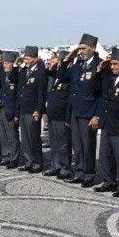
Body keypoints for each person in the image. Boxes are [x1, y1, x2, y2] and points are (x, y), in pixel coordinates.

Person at [91, 48, 119, 197]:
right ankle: (109, 181)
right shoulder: (110, 76)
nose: (112, 66)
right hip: (107, 123)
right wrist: (99, 71)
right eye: (111, 63)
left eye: (115, 64)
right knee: (105, 155)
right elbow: (97, 90)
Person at [62, 34, 103, 185]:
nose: (81, 52)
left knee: (88, 145)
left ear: (93, 48)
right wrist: (67, 59)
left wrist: (97, 115)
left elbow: (101, 94)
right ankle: (79, 172)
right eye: (79, 49)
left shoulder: (99, 65)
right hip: (75, 111)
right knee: (77, 145)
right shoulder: (78, 64)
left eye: (84, 48)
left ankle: (89, 174)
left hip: (89, 112)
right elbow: (63, 77)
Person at [17, 46, 46, 173]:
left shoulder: (40, 72)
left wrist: (38, 110)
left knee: (34, 138)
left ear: (35, 58)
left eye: (28, 59)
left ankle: (37, 163)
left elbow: (42, 93)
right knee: (25, 138)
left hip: (33, 111)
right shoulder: (24, 71)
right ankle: (28, 161)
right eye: (25, 58)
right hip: (23, 109)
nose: (26, 61)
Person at [45, 51, 73, 179]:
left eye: (59, 62)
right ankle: (55, 166)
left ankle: (65, 168)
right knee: (54, 143)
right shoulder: (55, 74)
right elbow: (45, 74)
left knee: (63, 144)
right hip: (52, 114)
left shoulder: (69, 75)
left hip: (62, 115)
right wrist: (51, 67)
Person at [0, 51, 21, 168]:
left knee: (12, 136)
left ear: (12, 64)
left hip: (11, 110)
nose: (4, 65)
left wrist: (16, 114)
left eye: (6, 63)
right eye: (4, 63)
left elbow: (17, 95)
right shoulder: (3, 74)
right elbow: (0, 89)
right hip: (2, 108)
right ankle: (6, 156)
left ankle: (14, 158)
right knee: (3, 135)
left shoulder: (16, 75)